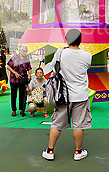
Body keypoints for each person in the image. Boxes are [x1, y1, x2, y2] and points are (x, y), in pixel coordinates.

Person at [42, 29, 92, 161]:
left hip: (62, 95)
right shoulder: (87, 55)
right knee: (79, 125)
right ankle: (78, 152)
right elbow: (86, 67)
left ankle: (50, 151)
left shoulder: (60, 53)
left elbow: (50, 68)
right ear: (80, 40)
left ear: (66, 39)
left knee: (57, 123)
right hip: (80, 95)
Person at [6, 45, 31, 117]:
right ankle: (13, 110)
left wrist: (29, 74)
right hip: (14, 79)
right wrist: (15, 73)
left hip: (23, 79)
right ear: (20, 51)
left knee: (22, 95)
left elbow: (29, 68)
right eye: (23, 50)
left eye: (26, 51)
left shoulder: (27, 59)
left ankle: (22, 109)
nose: (25, 52)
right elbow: (8, 66)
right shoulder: (14, 57)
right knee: (13, 95)